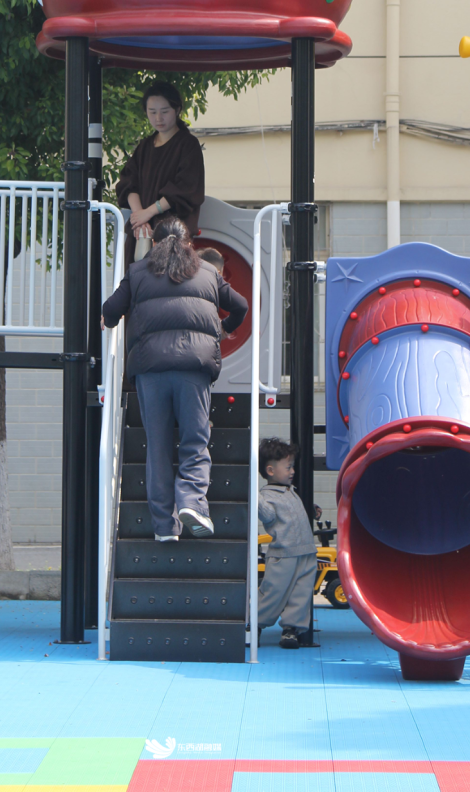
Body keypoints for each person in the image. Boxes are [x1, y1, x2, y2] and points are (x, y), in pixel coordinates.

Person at [102, 216, 248, 540]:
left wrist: (108, 321)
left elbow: (111, 309)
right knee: (195, 440)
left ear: (154, 243)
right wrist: (223, 329)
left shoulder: (137, 272)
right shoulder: (208, 272)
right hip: (193, 369)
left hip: (150, 369)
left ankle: (165, 528)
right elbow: (240, 306)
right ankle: (192, 502)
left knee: (157, 447)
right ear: (189, 244)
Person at [115, 82, 205, 268]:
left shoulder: (188, 145)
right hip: (141, 232)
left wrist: (147, 213)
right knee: (136, 279)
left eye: (164, 111)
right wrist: (139, 219)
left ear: (177, 109)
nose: (158, 118)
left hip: (172, 234)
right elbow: (128, 184)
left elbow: (184, 190)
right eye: (152, 112)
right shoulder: (144, 146)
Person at [257, 437, 317, 649]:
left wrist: (312, 508)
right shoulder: (265, 496)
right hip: (283, 554)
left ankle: (291, 629)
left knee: (301, 594)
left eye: (292, 466)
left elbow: (293, 512)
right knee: (274, 592)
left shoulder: (290, 491)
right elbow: (267, 515)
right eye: (288, 467)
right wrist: (254, 495)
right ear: (270, 471)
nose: (292, 471)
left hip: (306, 552)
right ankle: (254, 623)